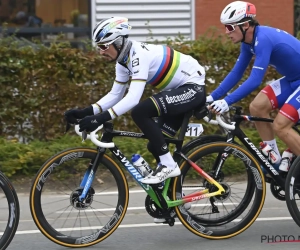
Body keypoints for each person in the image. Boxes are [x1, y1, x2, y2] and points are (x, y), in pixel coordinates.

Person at [64, 18, 206, 189]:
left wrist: (100, 118)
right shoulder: (123, 62)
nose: (101, 52)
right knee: (156, 145)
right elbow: (115, 94)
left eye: (103, 46)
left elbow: (133, 99)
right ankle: (167, 203)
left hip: (192, 87)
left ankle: (169, 165)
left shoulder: (138, 55)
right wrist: (86, 112)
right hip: (177, 90)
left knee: (139, 112)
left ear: (117, 42)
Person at [207, 1, 300, 171]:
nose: (226, 32)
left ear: (245, 25)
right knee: (257, 107)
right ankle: (274, 158)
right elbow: (236, 73)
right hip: (294, 79)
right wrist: (212, 97)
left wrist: (226, 101)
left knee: (281, 125)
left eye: (230, 27)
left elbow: (255, 79)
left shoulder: (262, 39)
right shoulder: (247, 43)